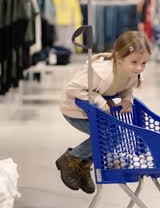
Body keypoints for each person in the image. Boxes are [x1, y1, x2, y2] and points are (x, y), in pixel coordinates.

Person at [55, 31, 152, 194]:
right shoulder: (101, 72)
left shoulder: (132, 72)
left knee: (111, 138)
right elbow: (71, 89)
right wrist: (99, 100)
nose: (139, 67)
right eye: (134, 61)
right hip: (75, 110)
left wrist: (127, 98)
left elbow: (127, 85)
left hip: (94, 112)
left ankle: (82, 165)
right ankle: (71, 159)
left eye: (143, 63)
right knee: (110, 137)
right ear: (119, 58)